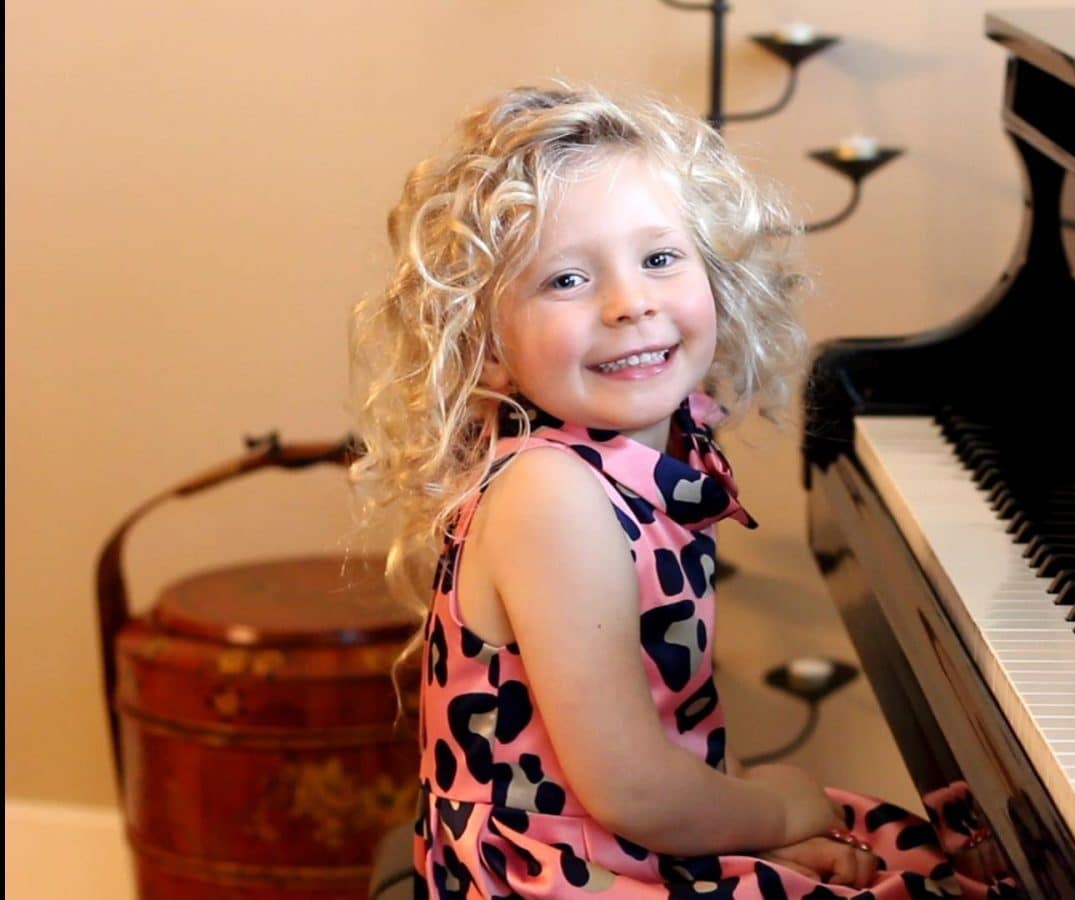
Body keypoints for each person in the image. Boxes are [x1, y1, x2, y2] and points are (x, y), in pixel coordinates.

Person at [349, 85, 1005, 899]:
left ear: (717, 278)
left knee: (884, 847)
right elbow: (633, 790)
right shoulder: (551, 496)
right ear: (487, 349)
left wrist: (765, 826)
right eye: (566, 280)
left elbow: (655, 767)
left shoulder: (655, 444)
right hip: (554, 874)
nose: (631, 304)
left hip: (625, 836)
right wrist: (775, 815)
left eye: (660, 258)